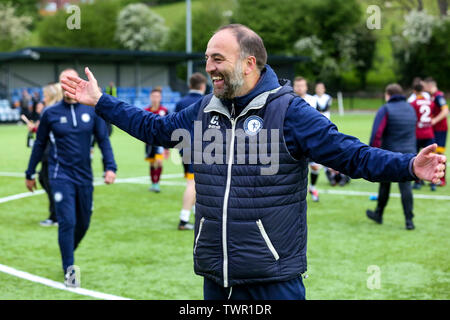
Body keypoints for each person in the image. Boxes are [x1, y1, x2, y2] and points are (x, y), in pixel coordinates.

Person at [61, 24, 445, 300]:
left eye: (217, 58)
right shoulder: (202, 112)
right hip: (217, 276)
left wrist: (410, 166)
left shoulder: (289, 112)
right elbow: (155, 129)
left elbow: (352, 155)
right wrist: (102, 102)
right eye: (207, 58)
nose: (209, 66)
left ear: (248, 63)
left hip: (273, 278)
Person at [25, 68, 117, 287]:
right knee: (67, 221)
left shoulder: (92, 111)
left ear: (79, 82)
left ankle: (66, 250)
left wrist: (110, 167)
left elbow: (103, 140)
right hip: (60, 175)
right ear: (60, 85)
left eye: (71, 81)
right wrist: (29, 172)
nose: (67, 86)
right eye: (63, 82)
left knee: (83, 223)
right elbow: (39, 144)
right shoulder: (50, 113)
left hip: (85, 176)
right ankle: (69, 268)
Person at [366, 84, 418, 230]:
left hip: (390, 153)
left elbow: (377, 133)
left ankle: (379, 214)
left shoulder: (386, 109)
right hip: (409, 154)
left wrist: (372, 153)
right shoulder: (410, 108)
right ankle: (409, 221)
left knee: (384, 184)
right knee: (406, 187)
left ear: (388, 95)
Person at [26, 83, 64, 226]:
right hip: (49, 151)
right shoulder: (51, 110)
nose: (43, 97)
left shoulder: (50, 111)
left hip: (51, 152)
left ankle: (56, 216)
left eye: (45, 95)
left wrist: (35, 128)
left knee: (49, 182)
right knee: (44, 179)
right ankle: (56, 214)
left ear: (50, 96)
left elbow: (47, 133)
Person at [174, 72, 207, 230]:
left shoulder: (181, 102)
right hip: (199, 148)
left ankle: (194, 213)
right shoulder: (206, 101)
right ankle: (183, 219)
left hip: (184, 147)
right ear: (202, 86)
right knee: (192, 183)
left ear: (189, 86)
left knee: (195, 182)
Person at [293, 76, 320, 202]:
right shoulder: (288, 99)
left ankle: (313, 188)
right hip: (294, 140)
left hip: (310, 140)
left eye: (302, 85)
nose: (299, 88)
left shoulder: (313, 100)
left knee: (315, 167)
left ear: (306, 87)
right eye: (297, 86)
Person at [409, 81, 436, 191]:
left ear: (414, 91)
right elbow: (432, 113)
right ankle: (434, 183)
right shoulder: (430, 102)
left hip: (417, 133)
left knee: (417, 158)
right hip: (429, 133)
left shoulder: (413, 103)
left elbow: (412, 118)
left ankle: (417, 182)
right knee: (432, 158)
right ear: (423, 90)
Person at [424, 77, 448, 186]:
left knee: (439, 152)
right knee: (434, 153)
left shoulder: (438, 96)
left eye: (425, 86)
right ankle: (436, 178)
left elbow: (445, 111)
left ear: (430, 85)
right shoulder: (433, 97)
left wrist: (434, 120)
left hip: (441, 129)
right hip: (435, 130)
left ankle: (442, 180)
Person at [144, 87, 169, 193]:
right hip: (149, 143)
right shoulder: (146, 111)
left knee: (159, 162)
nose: (155, 98)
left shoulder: (164, 111)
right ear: (150, 97)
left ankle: (156, 183)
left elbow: (168, 128)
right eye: (153, 96)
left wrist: (167, 147)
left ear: (160, 97)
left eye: (157, 96)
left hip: (160, 142)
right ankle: (153, 182)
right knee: (152, 163)